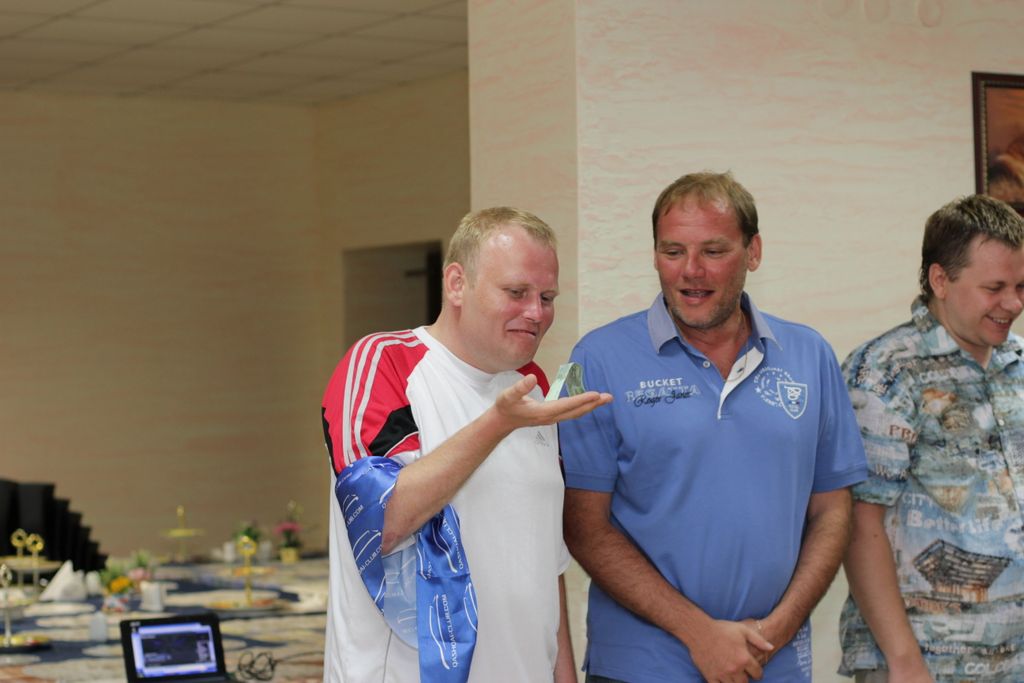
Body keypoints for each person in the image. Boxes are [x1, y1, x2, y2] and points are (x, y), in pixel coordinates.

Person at [559, 171, 868, 682]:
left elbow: (832, 510)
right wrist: (699, 634)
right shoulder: (598, 359)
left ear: (753, 252)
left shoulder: (809, 355)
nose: (691, 271)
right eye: (673, 251)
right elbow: (584, 527)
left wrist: (776, 631)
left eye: (714, 251)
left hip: (773, 660)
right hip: (643, 667)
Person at [320, 206, 611, 683]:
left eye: (547, 297)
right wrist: (497, 424)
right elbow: (382, 524)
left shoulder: (533, 388)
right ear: (457, 283)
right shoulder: (385, 364)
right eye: (516, 292)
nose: (536, 313)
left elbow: (546, 566)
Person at [840, 195, 1024, 683]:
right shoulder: (883, 374)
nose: (1013, 304)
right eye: (994, 288)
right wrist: (903, 660)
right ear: (940, 280)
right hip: (926, 662)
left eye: (1021, 286)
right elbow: (858, 524)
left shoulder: (1019, 364)